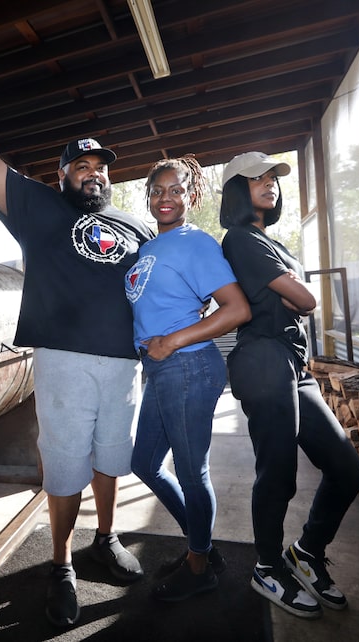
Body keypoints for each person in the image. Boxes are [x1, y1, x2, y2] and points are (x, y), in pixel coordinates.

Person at [0, 52, 155, 628]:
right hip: (65, 359)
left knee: (110, 458)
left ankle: (105, 538)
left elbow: (159, 283)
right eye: (81, 166)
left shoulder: (137, 225)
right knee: (64, 463)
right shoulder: (39, 209)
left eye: (100, 167)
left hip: (125, 364)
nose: (92, 173)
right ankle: (61, 565)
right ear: (62, 175)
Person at [219, 151, 359, 619]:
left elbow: (300, 301)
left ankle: (305, 552)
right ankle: (266, 564)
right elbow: (305, 297)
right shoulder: (240, 239)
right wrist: (294, 291)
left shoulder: (271, 242)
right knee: (278, 472)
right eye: (257, 179)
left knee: (348, 470)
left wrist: (293, 293)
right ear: (237, 190)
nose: (270, 184)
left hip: (294, 364)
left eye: (274, 179)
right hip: (263, 358)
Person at [125, 156, 251, 601]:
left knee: (192, 473)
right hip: (160, 368)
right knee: (143, 463)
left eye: (176, 189)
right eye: (158, 190)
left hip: (187, 366)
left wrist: (174, 339)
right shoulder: (150, 248)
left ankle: (199, 567)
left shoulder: (195, 243)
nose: (165, 197)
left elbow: (237, 309)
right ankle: (203, 546)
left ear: (191, 195)